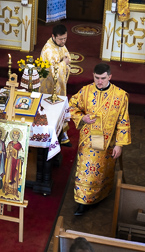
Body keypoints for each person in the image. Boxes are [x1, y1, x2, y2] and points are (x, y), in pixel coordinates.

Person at [69, 63, 131, 215]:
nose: (99, 82)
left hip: (108, 141)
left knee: (103, 171)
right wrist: (82, 117)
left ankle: (99, 195)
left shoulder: (120, 95)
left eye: (103, 78)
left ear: (110, 77)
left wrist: (119, 145)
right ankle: (82, 200)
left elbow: (124, 121)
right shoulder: (85, 91)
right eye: (96, 78)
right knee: (86, 169)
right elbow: (71, 106)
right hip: (90, 138)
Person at [39, 24, 72, 146]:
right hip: (48, 86)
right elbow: (54, 72)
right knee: (51, 111)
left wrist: (64, 63)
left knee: (60, 107)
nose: (63, 41)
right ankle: (52, 136)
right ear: (53, 36)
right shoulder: (48, 50)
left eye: (65, 38)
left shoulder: (59, 44)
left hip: (59, 86)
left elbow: (66, 56)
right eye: (60, 39)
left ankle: (62, 133)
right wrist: (64, 63)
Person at [3, 130, 23, 197]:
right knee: (9, 174)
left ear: (18, 137)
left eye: (17, 136)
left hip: (16, 162)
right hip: (10, 161)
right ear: (12, 136)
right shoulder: (10, 143)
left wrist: (14, 151)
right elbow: (7, 151)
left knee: (15, 175)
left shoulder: (19, 145)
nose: (15, 137)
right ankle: (8, 190)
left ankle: (15, 192)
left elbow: (20, 153)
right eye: (14, 135)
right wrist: (9, 150)